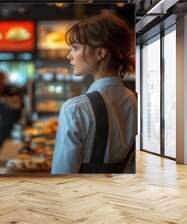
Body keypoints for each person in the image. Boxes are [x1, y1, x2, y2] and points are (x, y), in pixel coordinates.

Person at [51, 11, 137, 174]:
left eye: (75, 48)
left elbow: (62, 176)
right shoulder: (134, 101)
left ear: (100, 53)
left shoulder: (75, 109)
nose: (69, 56)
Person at [0, 71, 23, 166]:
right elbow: (12, 111)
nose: (7, 80)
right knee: (3, 157)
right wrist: (14, 105)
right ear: (1, 80)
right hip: (2, 128)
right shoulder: (1, 93)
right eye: (5, 78)